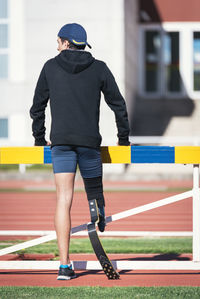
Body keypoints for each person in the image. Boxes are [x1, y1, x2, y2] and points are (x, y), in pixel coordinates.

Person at [30, 23, 130, 280]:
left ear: (64, 42)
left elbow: (37, 107)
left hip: (61, 144)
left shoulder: (50, 67)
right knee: (94, 195)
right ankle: (98, 215)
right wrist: (123, 139)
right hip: (89, 145)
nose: (56, 46)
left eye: (58, 42)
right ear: (83, 45)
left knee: (63, 199)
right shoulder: (99, 68)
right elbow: (118, 104)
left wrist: (39, 139)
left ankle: (64, 266)